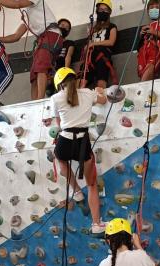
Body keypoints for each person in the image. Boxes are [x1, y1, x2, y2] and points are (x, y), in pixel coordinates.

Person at [51, 67, 106, 235]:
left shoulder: (55, 98)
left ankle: (76, 191)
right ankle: (96, 224)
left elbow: (59, 124)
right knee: (92, 185)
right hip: (83, 142)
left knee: (61, 162)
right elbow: (103, 100)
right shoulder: (88, 93)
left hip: (65, 140)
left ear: (60, 85)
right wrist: (99, 90)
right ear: (75, 80)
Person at [0, 0, 63, 100]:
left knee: (41, 67)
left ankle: (40, 100)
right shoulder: (27, 13)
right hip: (43, 38)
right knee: (34, 74)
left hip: (51, 34)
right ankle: (34, 102)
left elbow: (17, 4)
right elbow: (16, 36)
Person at [80, 0, 117, 89]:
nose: (103, 12)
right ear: (97, 11)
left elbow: (111, 41)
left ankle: (101, 100)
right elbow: (87, 45)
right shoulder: (93, 29)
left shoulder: (112, 27)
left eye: (105, 10)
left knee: (101, 83)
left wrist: (94, 43)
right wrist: (87, 46)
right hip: (89, 57)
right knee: (81, 84)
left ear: (109, 12)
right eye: (100, 10)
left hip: (102, 56)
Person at [51, 18, 76, 94]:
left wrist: (65, 73)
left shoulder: (70, 43)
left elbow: (68, 56)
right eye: (62, 25)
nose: (64, 27)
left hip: (61, 71)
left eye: (67, 27)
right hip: (50, 72)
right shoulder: (51, 43)